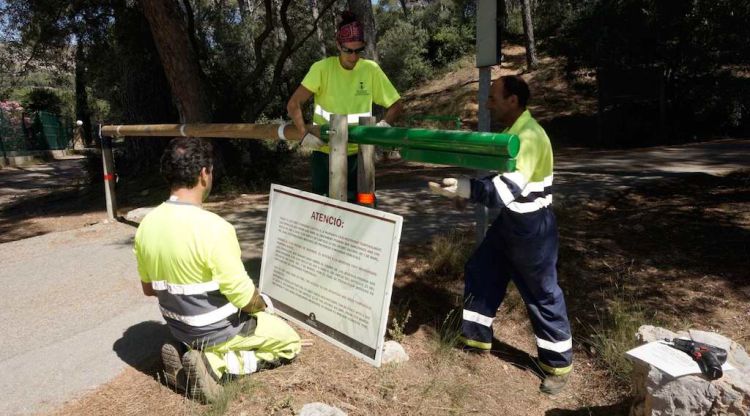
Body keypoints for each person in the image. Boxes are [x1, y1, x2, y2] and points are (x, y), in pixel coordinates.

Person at [428, 75, 573, 394]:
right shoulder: (514, 132)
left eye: (493, 97)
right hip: (512, 223)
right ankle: (475, 339)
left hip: (532, 229)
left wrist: (464, 190)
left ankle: (558, 366)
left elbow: (502, 191)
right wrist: (461, 192)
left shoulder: (529, 137)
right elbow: (498, 179)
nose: (487, 103)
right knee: (481, 270)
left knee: (542, 293)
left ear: (513, 101)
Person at [134, 137, 301, 403]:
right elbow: (244, 298)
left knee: (212, 333)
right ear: (204, 173)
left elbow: (147, 289)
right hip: (219, 329)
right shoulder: (214, 228)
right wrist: (265, 306)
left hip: (179, 327)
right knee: (290, 342)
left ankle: (189, 353)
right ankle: (215, 367)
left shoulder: (147, 225)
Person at [286, 10, 402, 203]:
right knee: (325, 213)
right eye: (348, 50)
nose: (354, 56)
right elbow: (293, 104)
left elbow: (396, 105)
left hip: (361, 156)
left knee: (364, 208)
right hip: (325, 155)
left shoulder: (370, 70)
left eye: (359, 50)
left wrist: (383, 127)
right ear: (338, 45)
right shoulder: (322, 69)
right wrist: (303, 134)